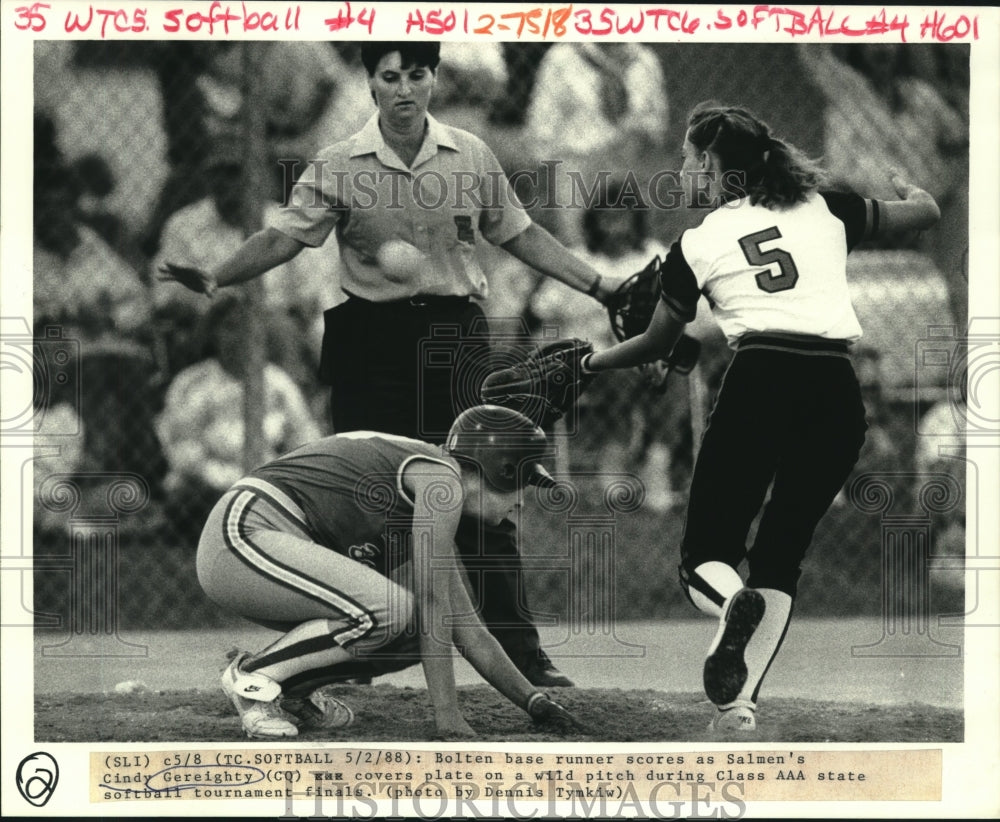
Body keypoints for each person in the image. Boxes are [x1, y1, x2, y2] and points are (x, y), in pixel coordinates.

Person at [161, 42, 619, 687]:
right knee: (367, 499)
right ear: (371, 83)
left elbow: (520, 234)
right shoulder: (340, 162)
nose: (404, 89)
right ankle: (348, 656)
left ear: (434, 81)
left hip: (453, 337)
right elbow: (282, 237)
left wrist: (600, 286)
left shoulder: (471, 153)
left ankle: (520, 651)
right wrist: (215, 274)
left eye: (417, 75)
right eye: (390, 76)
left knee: (481, 492)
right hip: (371, 337)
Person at [576, 104, 941, 735]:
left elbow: (659, 344)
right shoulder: (828, 207)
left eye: (692, 157)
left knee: (704, 558)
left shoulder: (698, 242)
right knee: (781, 557)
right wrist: (908, 191)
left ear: (714, 165)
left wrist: (592, 360)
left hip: (761, 380)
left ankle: (729, 606)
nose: (685, 166)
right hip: (835, 390)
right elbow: (926, 215)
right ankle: (738, 709)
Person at [197, 405, 579, 739]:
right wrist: (447, 717)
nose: (522, 501)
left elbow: (466, 627)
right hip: (242, 535)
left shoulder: (426, 490)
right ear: (502, 470)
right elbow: (431, 602)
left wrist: (534, 701)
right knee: (390, 609)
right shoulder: (441, 481)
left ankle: (291, 691)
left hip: (259, 547)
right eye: (523, 483)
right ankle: (253, 678)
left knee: (412, 627)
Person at [155, 293, 321, 541]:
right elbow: (184, 454)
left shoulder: (278, 383)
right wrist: (234, 482)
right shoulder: (193, 383)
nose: (240, 337)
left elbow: (305, 440)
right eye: (230, 327)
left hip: (268, 486)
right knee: (187, 500)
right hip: (209, 488)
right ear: (214, 333)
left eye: (248, 328)